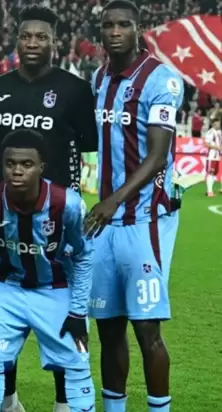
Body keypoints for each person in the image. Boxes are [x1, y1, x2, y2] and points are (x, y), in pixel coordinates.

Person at [0, 6, 99, 411]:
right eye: (26, 36)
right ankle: (8, 399)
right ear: (16, 40)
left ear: (55, 42)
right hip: (4, 219)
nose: (33, 43)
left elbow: (90, 145)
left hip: (57, 220)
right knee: (2, 306)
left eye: (42, 36)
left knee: (63, 311)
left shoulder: (75, 90)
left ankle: (63, 401)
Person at [0, 128, 95, 412]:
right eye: (10, 164)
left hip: (56, 288)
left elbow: (83, 257)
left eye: (26, 164)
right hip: (7, 289)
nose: (17, 171)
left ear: (41, 167)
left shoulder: (68, 204)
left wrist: (77, 311)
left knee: (77, 367)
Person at [86, 1, 184, 411]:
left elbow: (157, 156)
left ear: (137, 29)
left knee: (147, 329)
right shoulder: (99, 78)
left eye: (123, 25)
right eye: (108, 25)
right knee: (109, 329)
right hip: (106, 225)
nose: (115, 32)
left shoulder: (162, 79)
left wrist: (112, 200)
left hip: (145, 219)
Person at [204, 116, 221, 196]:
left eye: (218, 124)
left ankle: (210, 190)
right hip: (211, 156)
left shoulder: (219, 132)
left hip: (217, 156)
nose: (217, 125)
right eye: (216, 124)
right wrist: (217, 147)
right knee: (210, 173)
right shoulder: (210, 132)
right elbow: (206, 144)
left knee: (214, 174)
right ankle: (209, 192)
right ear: (212, 124)